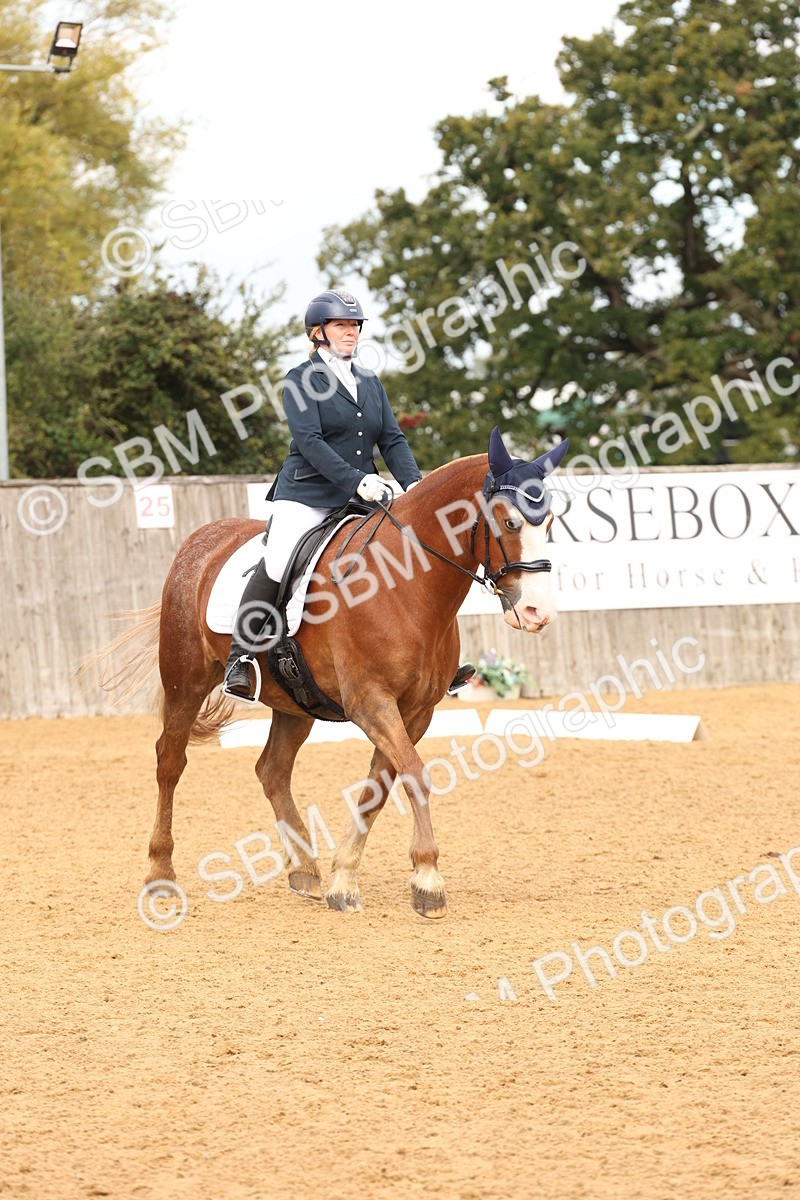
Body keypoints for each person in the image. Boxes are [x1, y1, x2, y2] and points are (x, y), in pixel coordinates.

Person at [222, 288, 427, 702]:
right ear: (318, 332)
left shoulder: (370, 381)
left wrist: (415, 486)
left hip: (362, 496)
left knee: (406, 552)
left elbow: (392, 439)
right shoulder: (300, 380)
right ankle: (240, 658)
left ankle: (425, 658)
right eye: (341, 325)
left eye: (355, 325)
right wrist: (358, 480)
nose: (351, 332)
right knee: (279, 558)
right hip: (307, 493)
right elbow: (311, 442)